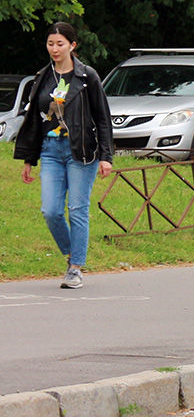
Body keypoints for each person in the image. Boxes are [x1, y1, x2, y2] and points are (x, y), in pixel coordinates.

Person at [14, 22, 114, 289]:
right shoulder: (43, 77)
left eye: (60, 44)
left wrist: (107, 155)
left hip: (81, 151)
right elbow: (34, 121)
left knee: (77, 209)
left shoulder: (87, 76)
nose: (55, 49)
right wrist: (28, 159)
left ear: (72, 45)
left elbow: (102, 118)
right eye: (50, 43)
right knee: (51, 211)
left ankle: (75, 268)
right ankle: (73, 255)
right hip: (50, 151)